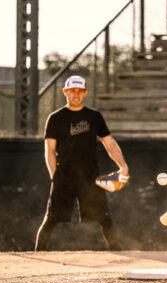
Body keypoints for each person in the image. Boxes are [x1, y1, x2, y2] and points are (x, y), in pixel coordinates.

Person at [35, 75, 129, 251]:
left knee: (104, 218)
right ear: (66, 92)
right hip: (64, 175)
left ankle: (119, 255)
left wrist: (122, 166)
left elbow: (109, 143)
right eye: (72, 91)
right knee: (51, 218)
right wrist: (55, 176)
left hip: (90, 176)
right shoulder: (55, 118)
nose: (76, 95)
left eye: (80, 91)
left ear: (85, 92)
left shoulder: (94, 117)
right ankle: (37, 255)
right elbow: (49, 149)